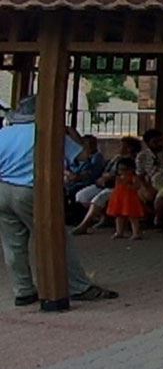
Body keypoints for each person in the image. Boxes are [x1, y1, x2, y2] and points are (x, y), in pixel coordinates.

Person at [0, 97, 117, 306]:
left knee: (13, 244)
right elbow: (83, 156)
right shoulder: (49, 133)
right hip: (32, 190)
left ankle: (23, 290)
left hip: (3, 188)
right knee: (57, 238)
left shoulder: (4, 134)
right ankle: (77, 286)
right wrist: (72, 133)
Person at [72, 136, 143, 235]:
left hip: (118, 187)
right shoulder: (116, 158)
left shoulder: (133, 161)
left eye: (121, 145)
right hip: (104, 183)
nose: (118, 147)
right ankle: (104, 217)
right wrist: (104, 178)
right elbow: (106, 170)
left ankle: (85, 224)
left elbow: (127, 176)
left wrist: (111, 177)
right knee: (81, 196)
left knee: (99, 198)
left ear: (129, 148)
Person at [106, 158, 147, 240]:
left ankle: (136, 233)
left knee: (133, 217)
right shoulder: (119, 177)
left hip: (129, 199)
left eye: (124, 169)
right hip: (119, 198)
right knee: (119, 216)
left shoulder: (133, 177)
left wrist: (129, 186)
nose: (122, 171)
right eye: (120, 169)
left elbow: (137, 186)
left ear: (131, 169)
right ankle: (119, 232)